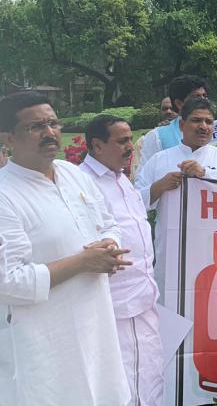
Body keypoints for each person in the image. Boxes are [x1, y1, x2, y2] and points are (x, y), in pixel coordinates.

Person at [0, 92, 130, 405]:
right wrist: (84, 262)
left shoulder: (73, 174)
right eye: (36, 127)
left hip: (96, 329)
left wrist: (110, 246)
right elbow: (8, 282)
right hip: (43, 345)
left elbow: (109, 223)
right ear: (8, 139)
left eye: (53, 123)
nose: (50, 133)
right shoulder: (5, 194)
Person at [81, 115, 163, 406]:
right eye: (122, 141)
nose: (131, 147)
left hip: (144, 297)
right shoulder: (83, 183)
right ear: (97, 146)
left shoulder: (121, 178)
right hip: (116, 305)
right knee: (122, 382)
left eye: (130, 139)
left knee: (151, 376)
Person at [136, 97, 217, 297]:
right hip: (172, 250)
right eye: (197, 120)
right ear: (182, 124)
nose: (203, 126)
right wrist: (159, 186)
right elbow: (135, 203)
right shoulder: (159, 160)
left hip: (214, 251)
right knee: (171, 305)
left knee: (213, 305)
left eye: (209, 121)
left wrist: (205, 173)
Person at [135, 74, 209, 175]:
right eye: (196, 97)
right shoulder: (157, 137)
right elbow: (143, 179)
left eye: (204, 96)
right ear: (179, 103)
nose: (203, 101)